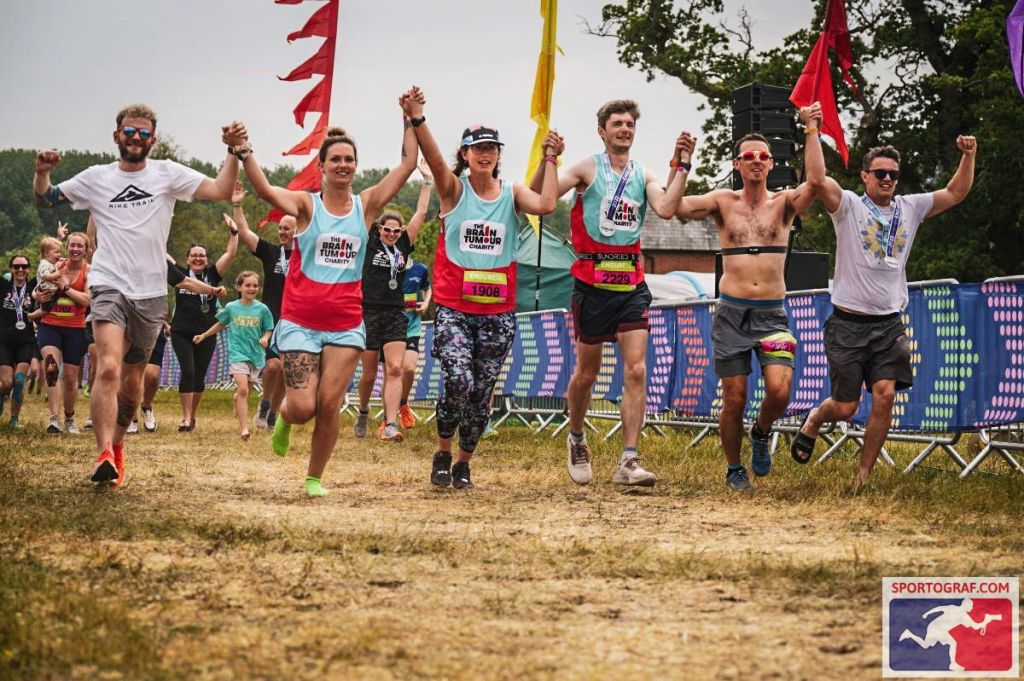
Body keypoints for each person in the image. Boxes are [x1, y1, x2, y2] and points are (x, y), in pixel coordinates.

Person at [33, 103, 242, 487]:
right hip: (109, 285)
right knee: (108, 367)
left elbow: (222, 189)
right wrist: (41, 173)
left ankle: (117, 446)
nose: (136, 138)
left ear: (153, 139)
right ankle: (102, 453)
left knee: (132, 383)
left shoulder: (167, 173)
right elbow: (46, 199)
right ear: (117, 135)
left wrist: (233, 151)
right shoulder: (97, 177)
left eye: (144, 133)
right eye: (130, 131)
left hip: (150, 295)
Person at [232, 89, 418, 497]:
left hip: (346, 325)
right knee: (303, 407)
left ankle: (314, 477)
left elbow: (407, 165)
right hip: (300, 322)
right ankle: (284, 418)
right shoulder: (306, 206)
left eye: (349, 159)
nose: (343, 164)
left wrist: (411, 118)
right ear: (321, 167)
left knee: (330, 405)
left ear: (356, 166)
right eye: (335, 159)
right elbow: (265, 191)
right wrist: (244, 151)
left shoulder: (366, 206)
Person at [792, 102, 976, 489]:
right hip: (847, 323)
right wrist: (812, 130)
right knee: (845, 407)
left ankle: (863, 477)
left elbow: (955, 192)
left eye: (893, 174)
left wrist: (968, 156)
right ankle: (815, 418)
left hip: (889, 324)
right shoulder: (848, 206)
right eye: (880, 173)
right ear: (865, 176)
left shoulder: (910, 208)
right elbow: (817, 178)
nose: (888, 179)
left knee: (885, 395)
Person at [402, 87, 562, 490]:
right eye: (478, 148)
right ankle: (442, 451)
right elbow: (434, 160)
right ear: (466, 154)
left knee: (480, 393)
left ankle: (463, 463)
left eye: (491, 148)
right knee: (458, 380)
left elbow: (546, 205)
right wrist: (418, 118)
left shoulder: (512, 193)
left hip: (497, 314)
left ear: (498, 154)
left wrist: (551, 158)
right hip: (455, 310)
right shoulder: (454, 190)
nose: (485, 154)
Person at [532, 100, 694, 488]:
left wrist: (683, 166)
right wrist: (549, 159)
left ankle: (629, 459)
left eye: (629, 124)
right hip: (592, 285)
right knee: (587, 373)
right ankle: (576, 437)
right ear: (602, 131)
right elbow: (541, 198)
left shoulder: (643, 173)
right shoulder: (587, 168)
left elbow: (666, 208)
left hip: (632, 286)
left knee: (636, 369)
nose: (624, 129)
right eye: (617, 124)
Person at [674, 117, 817, 492]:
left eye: (763, 156)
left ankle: (762, 431)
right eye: (749, 156)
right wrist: (682, 163)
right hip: (732, 314)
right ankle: (734, 469)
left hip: (772, 314)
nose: (756, 161)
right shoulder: (722, 201)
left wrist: (812, 130)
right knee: (734, 397)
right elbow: (674, 207)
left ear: (771, 164)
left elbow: (816, 183)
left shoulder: (784, 203)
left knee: (780, 390)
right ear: (737, 163)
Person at [354, 159, 433, 441]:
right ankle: (363, 411)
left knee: (396, 368)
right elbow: (368, 206)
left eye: (396, 231)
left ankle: (389, 424)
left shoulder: (402, 244)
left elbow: (421, 212)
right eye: (387, 230)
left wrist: (426, 181)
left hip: (396, 314)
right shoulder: (369, 242)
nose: (391, 234)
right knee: (368, 374)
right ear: (379, 229)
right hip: (368, 312)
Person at [130, 261, 225, 434]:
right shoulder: (126, 263)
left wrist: (213, 290)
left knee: (152, 376)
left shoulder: (168, 267)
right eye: (194, 255)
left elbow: (185, 281)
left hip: (157, 328)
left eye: (201, 255)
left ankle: (147, 407)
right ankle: (130, 416)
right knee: (131, 373)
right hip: (138, 326)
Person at [230, 181, 294, 431]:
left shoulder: (306, 255)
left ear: (297, 231)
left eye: (287, 228)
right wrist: (237, 206)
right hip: (271, 319)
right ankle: (266, 402)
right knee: (274, 365)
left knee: (287, 371)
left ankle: (274, 413)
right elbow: (245, 232)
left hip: (296, 320)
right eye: (280, 228)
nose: (282, 232)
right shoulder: (271, 252)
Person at [168, 224, 239, 432]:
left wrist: (234, 233)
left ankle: (193, 415)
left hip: (206, 333)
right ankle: (185, 417)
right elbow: (162, 255)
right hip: (181, 331)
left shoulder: (213, 275)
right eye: (194, 255)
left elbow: (230, 254)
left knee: (199, 376)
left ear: (207, 260)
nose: (198, 258)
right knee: (188, 371)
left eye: (202, 255)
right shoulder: (180, 273)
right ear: (187, 259)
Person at [192, 271, 273, 440]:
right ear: (239, 287)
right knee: (243, 389)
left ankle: (237, 398)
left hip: (256, 354)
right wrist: (204, 335)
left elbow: (268, 329)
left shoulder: (262, 309)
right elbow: (220, 324)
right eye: (248, 285)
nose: (252, 288)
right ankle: (244, 429)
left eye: (255, 286)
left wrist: (265, 338)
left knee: (245, 391)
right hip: (237, 353)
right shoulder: (231, 307)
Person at [31, 231, 90, 435]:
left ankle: (69, 418)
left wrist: (65, 288)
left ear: (86, 250)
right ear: (67, 247)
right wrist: (36, 295)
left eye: (79, 246)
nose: (75, 249)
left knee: (71, 377)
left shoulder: (89, 271)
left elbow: (87, 300)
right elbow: (37, 286)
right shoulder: (56, 265)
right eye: (72, 245)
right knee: (51, 368)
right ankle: (54, 418)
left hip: (76, 328)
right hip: (50, 325)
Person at [0, 255, 38, 428]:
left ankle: (14, 419)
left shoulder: (33, 287)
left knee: (19, 380)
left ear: (29, 269)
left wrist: (58, 245)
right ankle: (2, 395)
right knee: (7, 383)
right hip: (4, 341)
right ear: (11, 269)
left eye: (24, 266)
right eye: (16, 267)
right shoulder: (3, 286)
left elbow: (49, 268)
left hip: (25, 341)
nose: (20, 270)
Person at [396, 255, 432, 429]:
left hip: (412, 327)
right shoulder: (383, 267)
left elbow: (427, 288)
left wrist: (425, 304)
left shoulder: (420, 269)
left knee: (409, 368)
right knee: (392, 371)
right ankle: (387, 420)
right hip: (390, 327)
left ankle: (403, 403)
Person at [27, 237, 64, 321]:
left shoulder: (51, 262)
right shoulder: (44, 264)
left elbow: (55, 264)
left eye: (60, 252)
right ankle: (31, 316)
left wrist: (61, 260)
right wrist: (57, 274)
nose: (59, 254)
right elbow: (46, 276)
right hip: (45, 291)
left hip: (50, 291)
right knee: (45, 309)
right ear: (46, 254)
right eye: (56, 252)